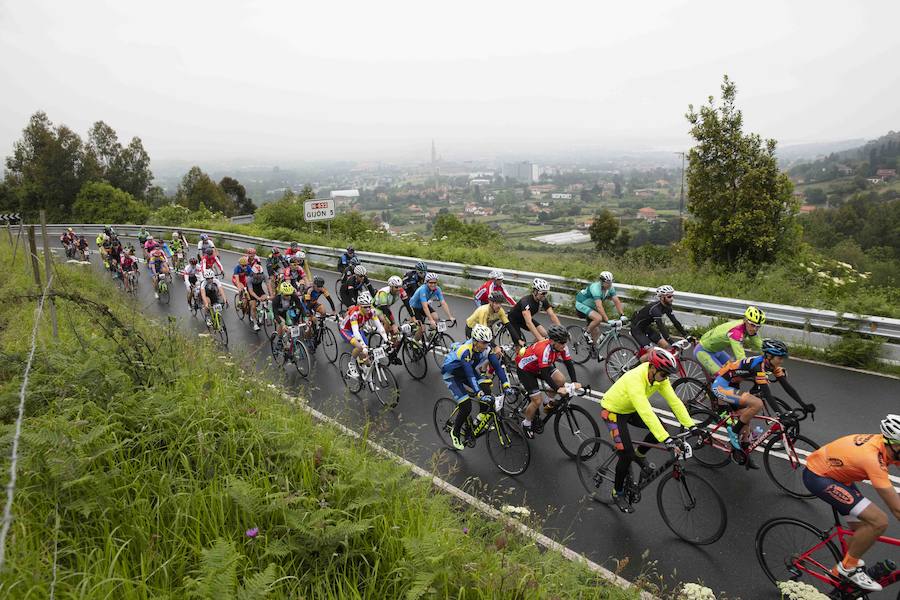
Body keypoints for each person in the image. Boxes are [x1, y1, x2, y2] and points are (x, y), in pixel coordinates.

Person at [802, 416, 900, 592]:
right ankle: (847, 569)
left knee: (863, 529)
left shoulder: (887, 446)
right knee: (878, 521)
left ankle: (841, 577)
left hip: (838, 475)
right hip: (820, 477)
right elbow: (897, 509)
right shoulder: (872, 459)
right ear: (891, 443)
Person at [600, 347, 696, 513]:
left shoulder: (659, 378)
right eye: (664, 374)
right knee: (626, 454)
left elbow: (674, 402)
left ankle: (640, 454)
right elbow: (645, 411)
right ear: (652, 368)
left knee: (661, 429)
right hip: (613, 411)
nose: (665, 379)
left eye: (667, 375)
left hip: (630, 409)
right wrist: (667, 440)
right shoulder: (635, 378)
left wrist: (692, 426)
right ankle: (618, 492)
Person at [711, 339, 808, 456]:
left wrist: (804, 405)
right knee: (757, 403)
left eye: (783, 358)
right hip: (721, 386)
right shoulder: (759, 367)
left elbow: (787, 387)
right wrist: (780, 414)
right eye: (779, 358)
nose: (782, 361)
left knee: (746, 417)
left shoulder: (771, 364)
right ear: (769, 356)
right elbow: (767, 393)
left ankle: (742, 453)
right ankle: (733, 432)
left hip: (733, 383)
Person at [442, 324, 514, 450]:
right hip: (452, 375)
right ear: (475, 341)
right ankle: (455, 432)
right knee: (466, 405)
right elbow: (470, 375)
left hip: (466, 370)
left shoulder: (486, 348)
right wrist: (478, 393)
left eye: (488, 342)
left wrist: (507, 385)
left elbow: (497, 366)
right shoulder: (465, 350)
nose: (486, 345)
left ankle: (480, 418)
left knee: (486, 388)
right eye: (484, 342)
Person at [515, 325, 579, 439]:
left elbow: (569, 363)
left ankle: (548, 402)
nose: (564, 345)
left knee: (560, 379)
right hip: (526, 369)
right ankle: (526, 423)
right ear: (553, 341)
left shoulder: (562, 347)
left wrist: (574, 381)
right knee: (536, 400)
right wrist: (557, 389)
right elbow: (544, 374)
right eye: (562, 342)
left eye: (565, 342)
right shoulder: (544, 349)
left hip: (541, 365)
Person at [694, 306, 765, 376]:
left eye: (758, 326)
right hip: (703, 352)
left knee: (733, 371)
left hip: (717, 351)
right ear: (746, 320)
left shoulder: (748, 327)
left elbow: (760, 345)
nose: (755, 329)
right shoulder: (736, 332)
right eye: (752, 325)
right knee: (724, 376)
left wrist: (770, 355)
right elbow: (741, 357)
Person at [338, 291, 387, 378]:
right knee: (360, 347)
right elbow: (355, 332)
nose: (368, 309)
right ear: (360, 306)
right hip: (347, 330)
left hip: (358, 328)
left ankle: (363, 369)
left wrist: (386, 340)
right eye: (365, 307)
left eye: (369, 306)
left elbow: (380, 327)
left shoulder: (372, 311)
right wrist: (363, 346)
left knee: (366, 354)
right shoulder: (355, 314)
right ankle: (352, 364)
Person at [630, 285, 688, 355]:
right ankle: (636, 366)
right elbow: (661, 327)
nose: (672, 299)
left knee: (665, 346)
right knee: (651, 354)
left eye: (672, 296)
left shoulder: (667, 306)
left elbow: (675, 322)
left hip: (646, 328)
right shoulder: (655, 310)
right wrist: (671, 342)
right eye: (669, 297)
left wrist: (686, 336)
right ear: (662, 298)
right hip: (637, 330)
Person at [507, 278, 561, 347]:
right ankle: (518, 355)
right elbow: (529, 323)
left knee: (544, 333)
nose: (545, 295)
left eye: (546, 293)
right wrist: (540, 339)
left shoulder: (542, 299)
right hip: (513, 320)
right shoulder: (526, 302)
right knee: (519, 346)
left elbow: (552, 314)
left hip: (524, 319)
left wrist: (562, 329)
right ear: (535, 291)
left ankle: (531, 349)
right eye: (543, 293)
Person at [575, 271, 626, 344]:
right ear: (601, 282)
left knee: (596, 331)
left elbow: (616, 301)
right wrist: (607, 320)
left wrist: (622, 315)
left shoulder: (610, 288)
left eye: (611, 282)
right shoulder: (595, 288)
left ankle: (594, 352)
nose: (610, 284)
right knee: (598, 318)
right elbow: (599, 306)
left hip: (591, 307)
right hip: (581, 304)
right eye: (607, 282)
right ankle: (586, 334)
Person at [374, 275, 414, 355]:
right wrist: (392, 324)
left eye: (400, 286)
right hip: (377, 308)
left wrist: (413, 316)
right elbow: (384, 310)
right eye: (396, 287)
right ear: (391, 286)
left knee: (394, 332)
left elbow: (407, 303)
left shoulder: (401, 290)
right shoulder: (384, 293)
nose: (399, 289)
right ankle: (382, 340)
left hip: (386, 308)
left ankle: (391, 348)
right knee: (388, 323)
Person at [272, 281, 306, 357]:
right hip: (278, 314)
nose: (288, 296)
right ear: (281, 293)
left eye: (289, 294)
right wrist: (282, 324)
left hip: (287, 312)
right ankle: (280, 340)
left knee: (292, 325)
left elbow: (301, 308)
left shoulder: (293, 296)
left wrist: (305, 319)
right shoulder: (276, 299)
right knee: (283, 323)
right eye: (286, 295)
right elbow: (275, 314)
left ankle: (290, 344)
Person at [246, 264, 271, 332]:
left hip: (259, 288)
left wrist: (271, 295)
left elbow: (268, 285)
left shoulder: (264, 275)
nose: (259, 275)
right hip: (252, 290)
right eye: (257, 274)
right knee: (253, 306)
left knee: (265, 299)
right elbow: (251, 292)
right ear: (253, 273)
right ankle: (255, 324)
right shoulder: (249, 279)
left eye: (261, 273)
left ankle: (262, 314)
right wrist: (257, 298)